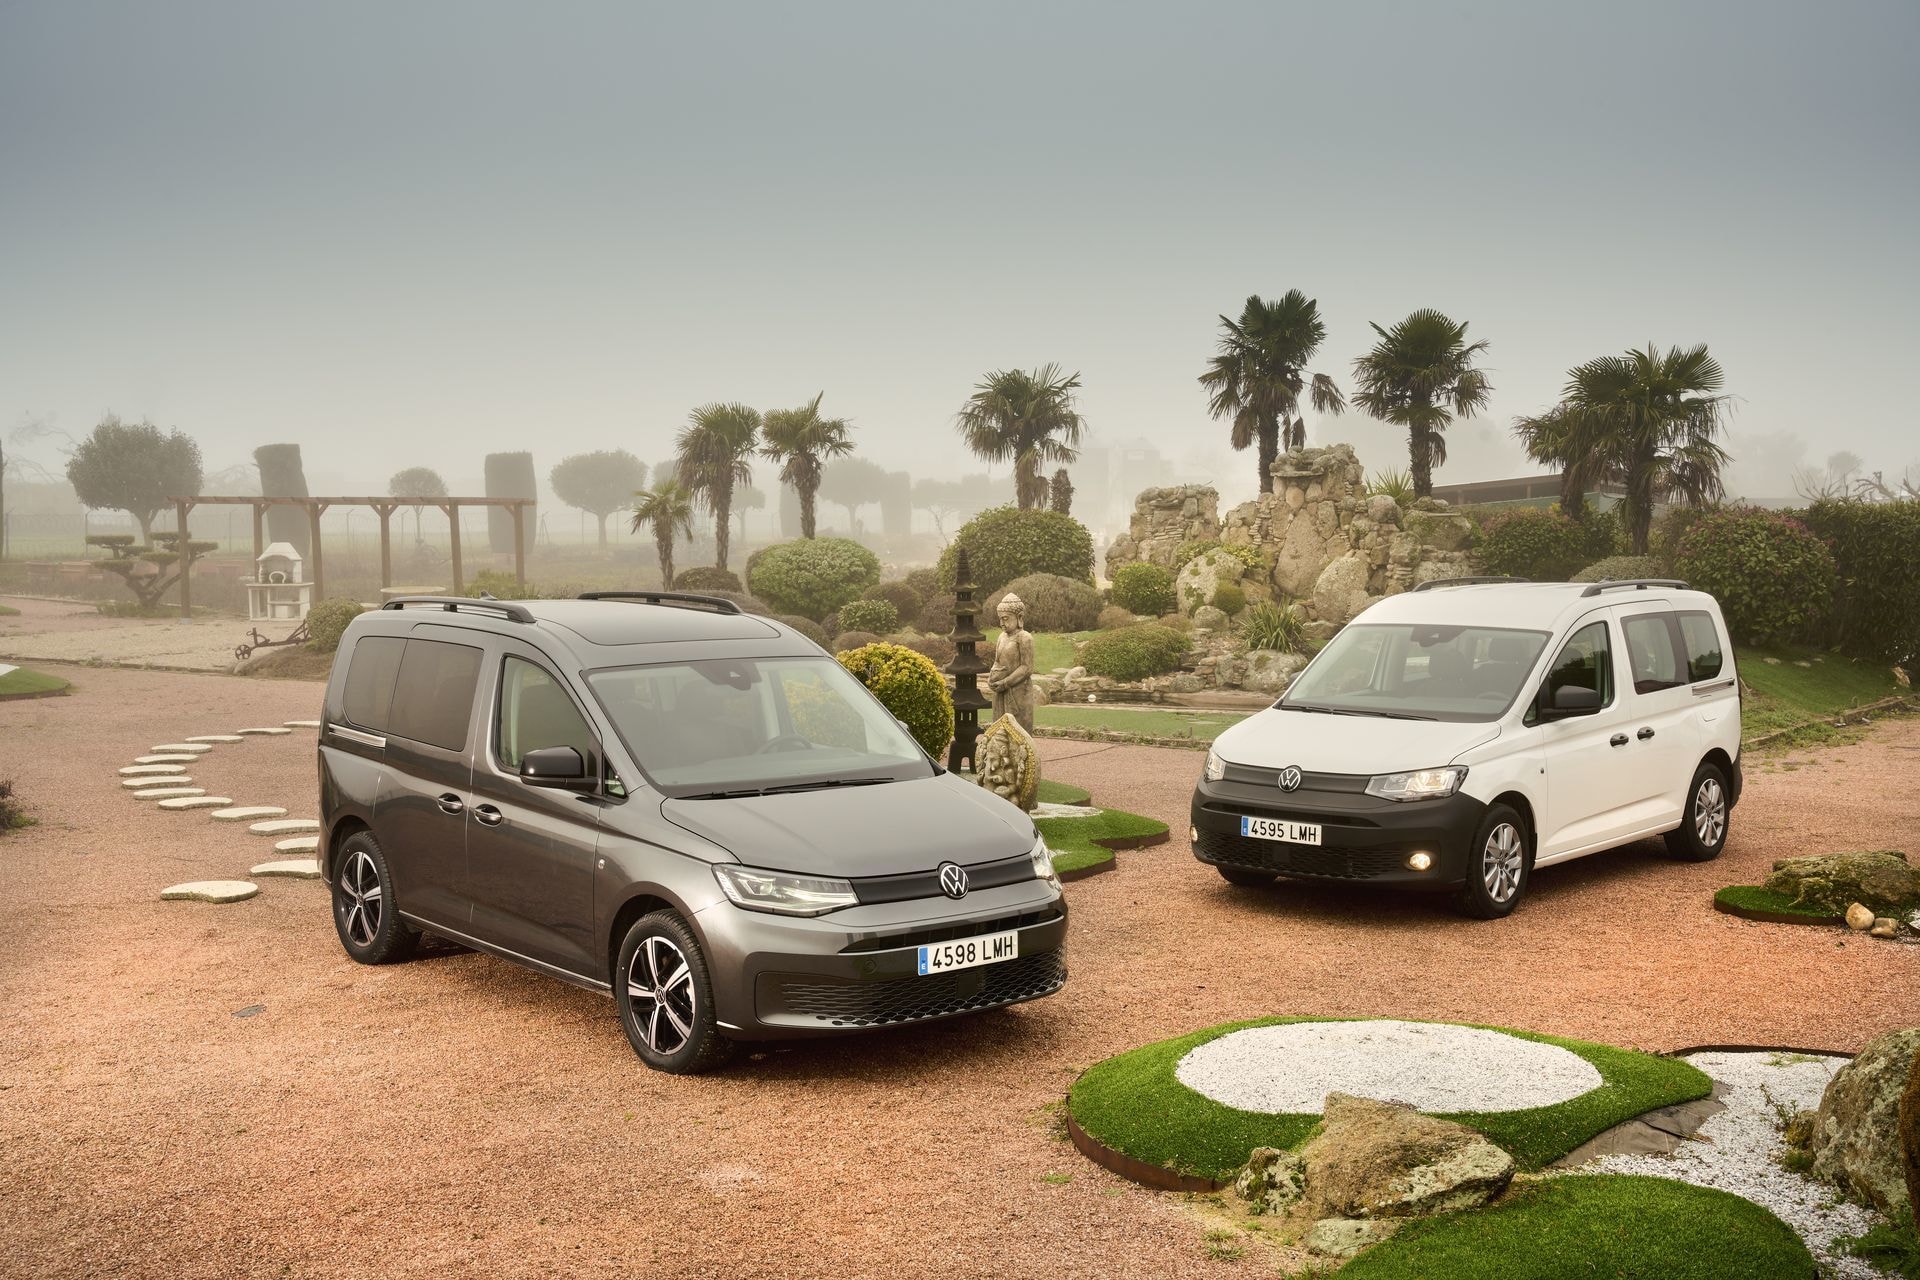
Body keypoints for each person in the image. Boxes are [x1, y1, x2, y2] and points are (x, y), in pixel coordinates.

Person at [987, 592, 1035, 733]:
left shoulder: (1025, 638)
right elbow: (997, 661)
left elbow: (1027, 668)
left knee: (1018, 730)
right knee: (999, 729)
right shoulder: (1001, 637)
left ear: (1019, 617)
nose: (1002, 623)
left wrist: (1006, 682)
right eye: (1000, 619)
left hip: (1018, 691)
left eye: (1006, 619)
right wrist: (992, 677)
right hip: (1000, 691)